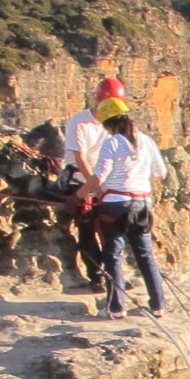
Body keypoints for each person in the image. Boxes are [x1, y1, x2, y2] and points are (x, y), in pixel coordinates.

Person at [87, 100, 168, 317]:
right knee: (145, 255)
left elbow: (100, 176)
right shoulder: (147, 141)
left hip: (115, 204)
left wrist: (78, 195)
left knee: (113, 255)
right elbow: (160, 172)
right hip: (142, 203)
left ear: (107, 124)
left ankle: (116, 307)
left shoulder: (112, 143)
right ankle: (158, 305)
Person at [56, 75, 123, 289]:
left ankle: (115, 273)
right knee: (87, 228)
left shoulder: (115, 124)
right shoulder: (79, 122)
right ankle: (97, 276)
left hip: (106, 180)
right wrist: (95, 187)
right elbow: (80, 159)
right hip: (81, 179)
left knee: (111, 231)